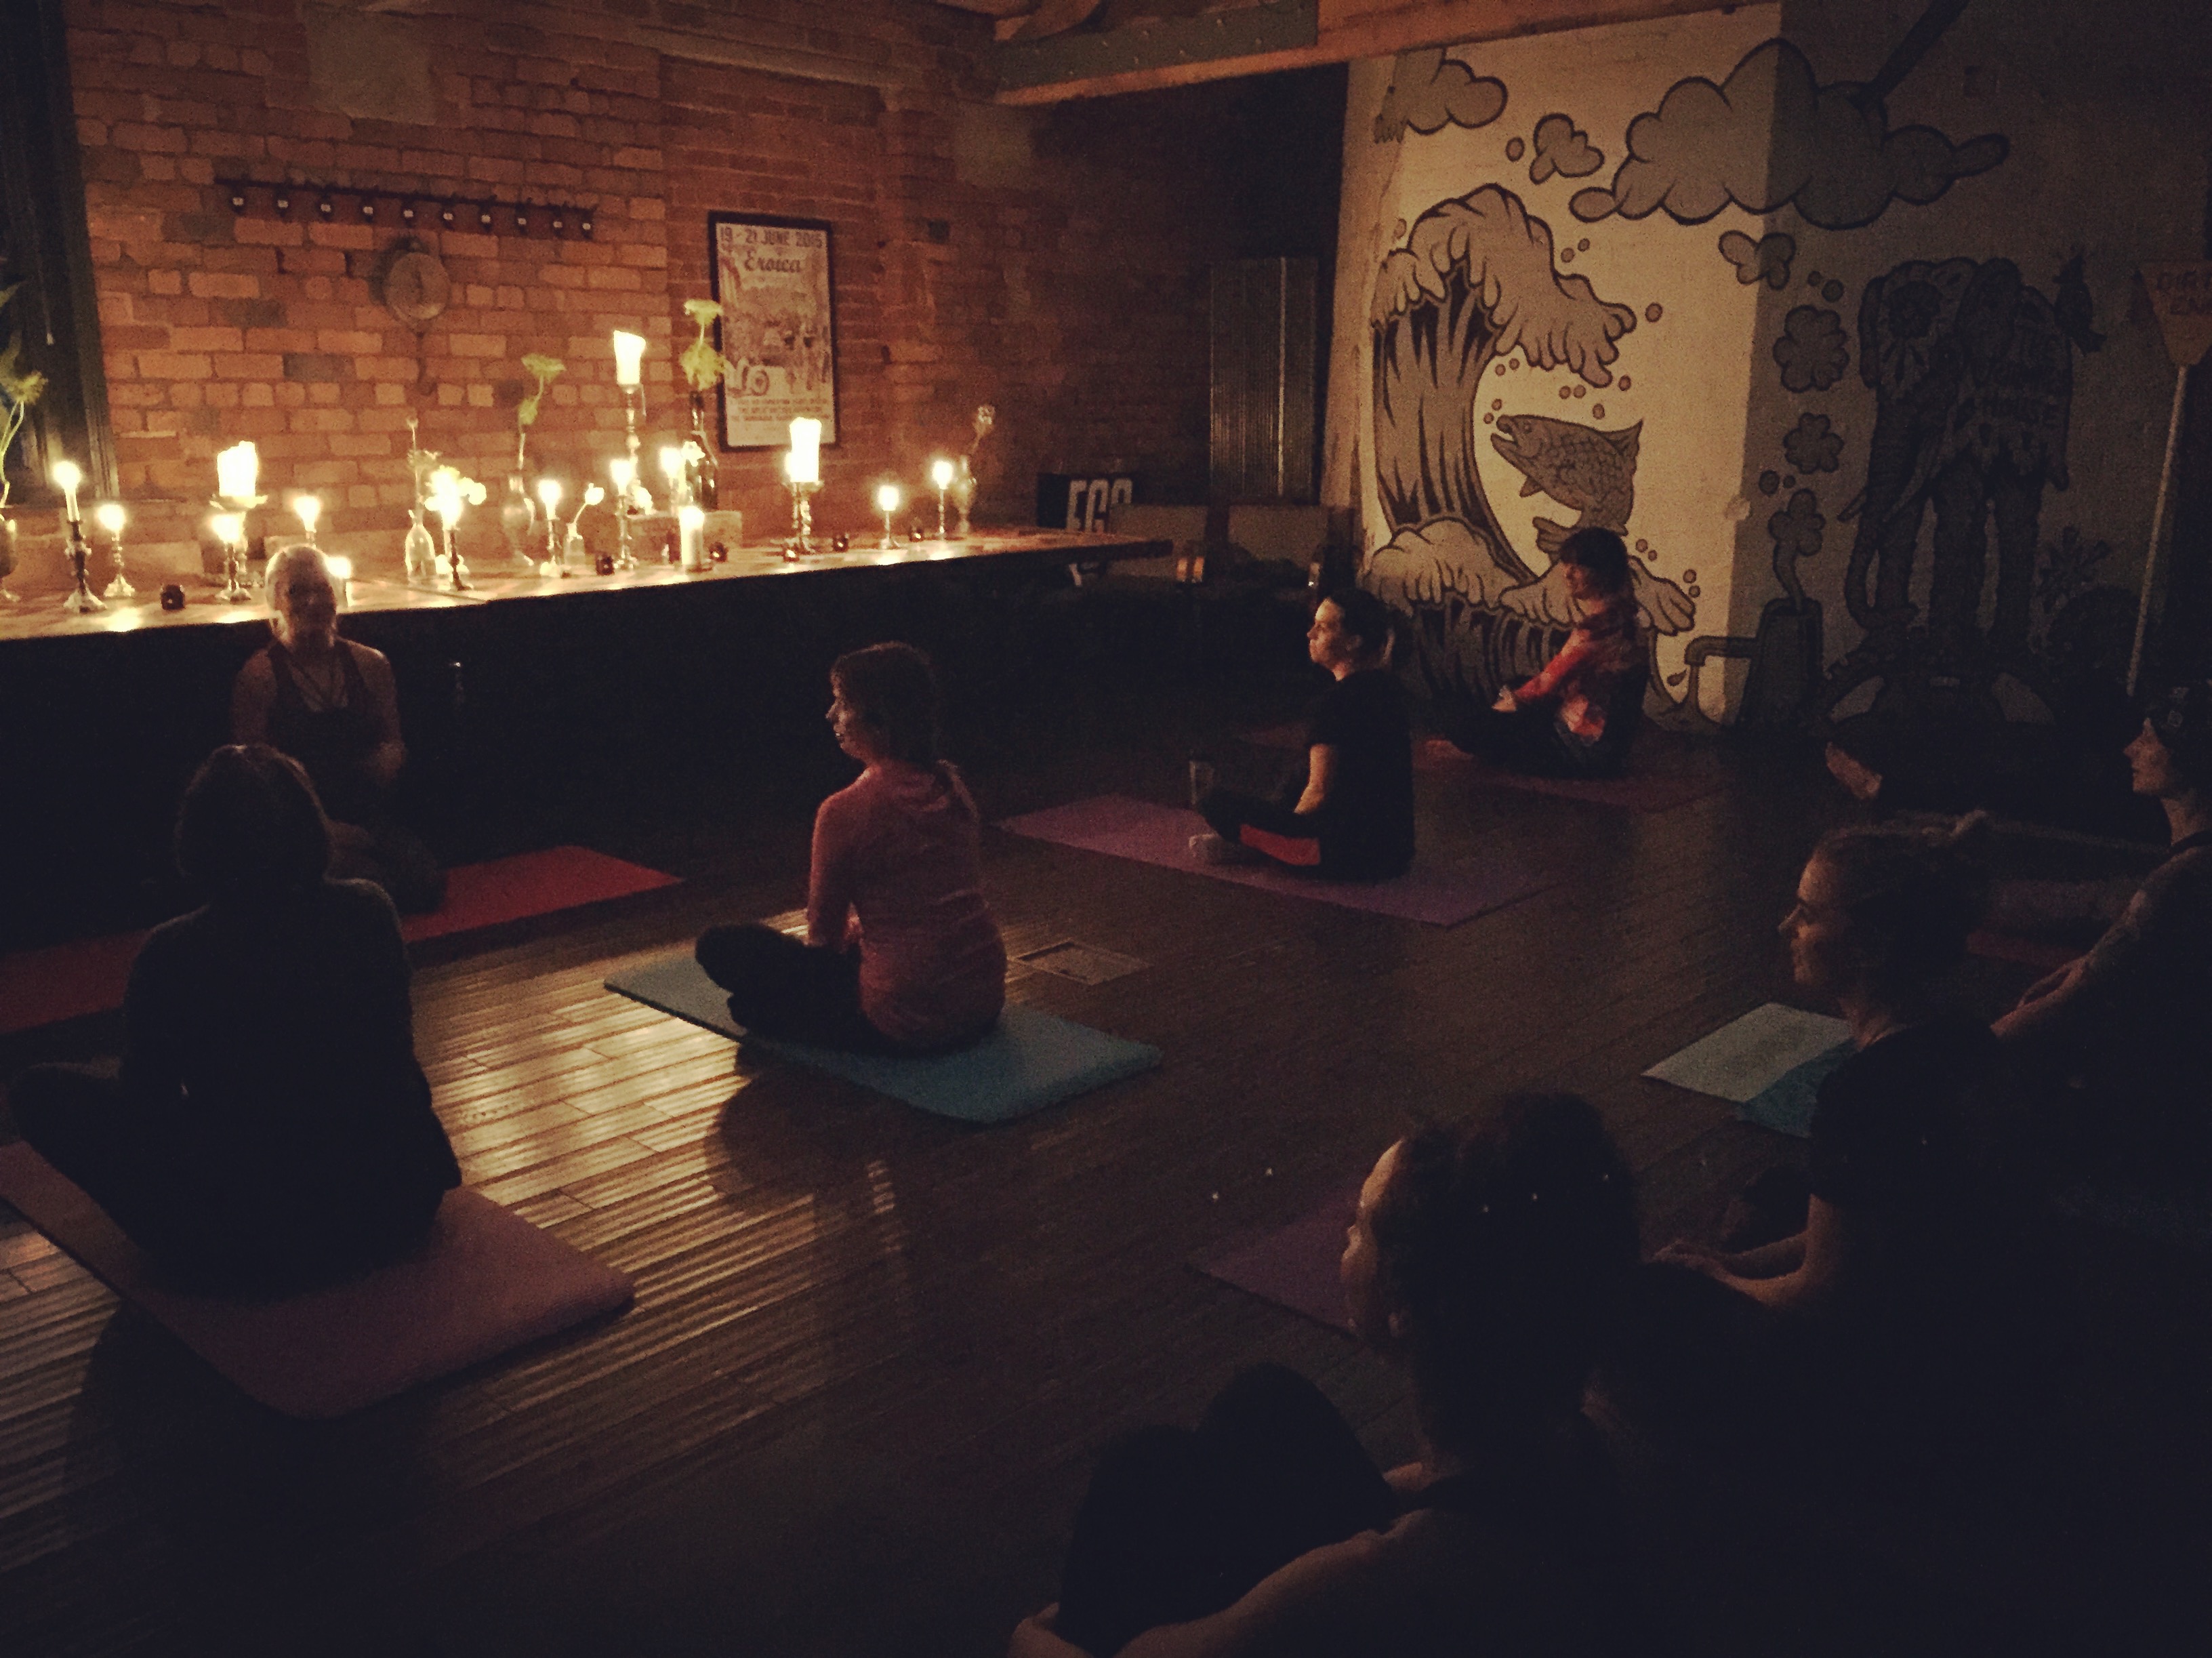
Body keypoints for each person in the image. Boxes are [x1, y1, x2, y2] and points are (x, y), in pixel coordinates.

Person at [1012, 1094, 1647, 1658]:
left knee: (1140, 1469)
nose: (1345, 1233)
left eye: (1361, 1228)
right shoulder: (1594, 1434)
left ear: (1404, 1307)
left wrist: (1032, 1637)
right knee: (1266, 1406)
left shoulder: (1378, 1577)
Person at [5, 746, 461, 1291]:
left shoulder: (173, 950)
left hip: (253, 1236)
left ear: (198, 839)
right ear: (309, 824)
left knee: (37, 1091)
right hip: (398, 1203)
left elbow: (148, 1102)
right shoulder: (370, 909)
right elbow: (394, 1056)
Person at [1636, 814, 2018, 1459]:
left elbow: (1826, 1293)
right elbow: (1860, 1236)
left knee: (1651, 1321)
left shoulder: (1869, 1093)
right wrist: (1734, 1265)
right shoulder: (1965, 1038)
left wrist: (1717, 1281)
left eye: (1809, 914)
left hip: (1907, 1389)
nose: (1787, 927)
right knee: (1770, 1198)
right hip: (1985, 1343)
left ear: (1868, 946)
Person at [695, 642, 1006, 1053]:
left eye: (842, 704)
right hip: (983, 998)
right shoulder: (952, 786)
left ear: (877, 720)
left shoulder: (845, 810)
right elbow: (929, 902)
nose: (831, 716)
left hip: (906, 1017)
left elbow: (823, 937)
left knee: (726, 960)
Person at [1993, 683, 2212, 1184]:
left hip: (2158, 1120)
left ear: (2188, 757)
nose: (2130, 749)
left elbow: (2070, 1003)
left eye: (2149, 738)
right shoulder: (2189, 868)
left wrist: (1949, 1062)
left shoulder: (2181, 882)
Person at [232, 544, 445, 913]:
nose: (313, 602)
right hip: (299, 825)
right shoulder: (260, 677)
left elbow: (393, 739)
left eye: (323, 589)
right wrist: (324, 829)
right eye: (297, 591)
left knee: (424, 884)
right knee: (365, 892)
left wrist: (389, 758)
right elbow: (254, 779)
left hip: (366, 816)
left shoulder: (370, 664)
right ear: (275, 601)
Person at [1193, 588, 1414, 880]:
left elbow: (1318, 791)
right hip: (1395, 853)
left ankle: (1266, 848)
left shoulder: (1336, 703)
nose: (1311, 634)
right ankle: (1266, 844)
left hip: (1342, 855)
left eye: (1323, 628)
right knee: (1297, 776)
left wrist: (1288, 829)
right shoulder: (1390, 691)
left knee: (1214, 802)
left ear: (1353, 642)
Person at [1446, 527, 1647, 779]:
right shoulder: (1628, 621)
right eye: (1567, 565)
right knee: (1516, 685)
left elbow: (1543, 685)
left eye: (1578, 567)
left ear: (1603, 573)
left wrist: (1494, 717)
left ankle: (1483, 747)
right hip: (1610, 748)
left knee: (1461, 721)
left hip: (1578, 750)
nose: (1567, 574)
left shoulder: (1595, 631)